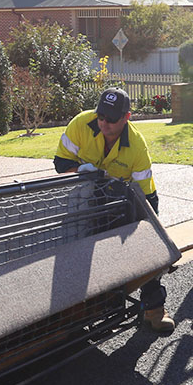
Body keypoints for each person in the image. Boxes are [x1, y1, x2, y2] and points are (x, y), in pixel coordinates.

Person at [53, 87, 175, 334]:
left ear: (127, 117)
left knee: (144, 249)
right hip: (84, 199)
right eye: (100, 117)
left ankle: (154, 310)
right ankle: (84, 311)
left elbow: (147, 197)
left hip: (122, 202)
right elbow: (60, 163)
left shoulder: (137, 147)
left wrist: (152, 236)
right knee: (81, 252)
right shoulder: (80, 124)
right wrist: (81, 171)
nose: (103, 123)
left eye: (111, 119)